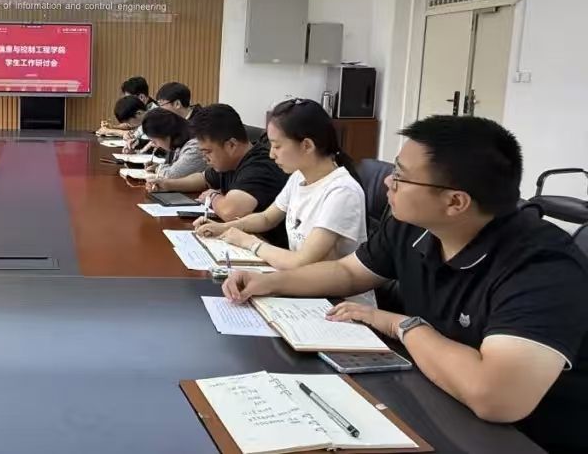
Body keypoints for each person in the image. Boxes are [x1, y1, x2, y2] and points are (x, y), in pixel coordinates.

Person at [222, 116, 588, 453]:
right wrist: (269, 282)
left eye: (400, 176)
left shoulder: (542, 266)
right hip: (434, 398)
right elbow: (349, 272)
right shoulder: (412, 224)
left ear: (455, 202)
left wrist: (401, 324)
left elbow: (495, 397)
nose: (387, 182)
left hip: (523, 438)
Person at [197, 99, 369, 296]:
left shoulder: (342, 191)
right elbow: (266, 218)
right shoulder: (299, 177)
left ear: (307, 145)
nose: (271, 155)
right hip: (302, 287)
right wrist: (225, 228)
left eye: (277, 146)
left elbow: (302, 261)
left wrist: (250, 242)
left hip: (337, 301)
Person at [151, 104, 289, 247]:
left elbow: (231, 211)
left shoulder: (261, 165)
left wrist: (213, 197)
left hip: (270, 248)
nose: (205, 158)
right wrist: (168, 184)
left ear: (231, 145)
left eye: (207, 152)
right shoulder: (229, 162)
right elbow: (203, 178)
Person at [141, 108, 206, 184]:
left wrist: (157, 168)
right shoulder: (180, 141)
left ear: (166, 135)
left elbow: (172, 175)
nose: (154, 144)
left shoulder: (195, 146)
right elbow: (174, 167)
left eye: (154, 141)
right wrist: (157, 166)